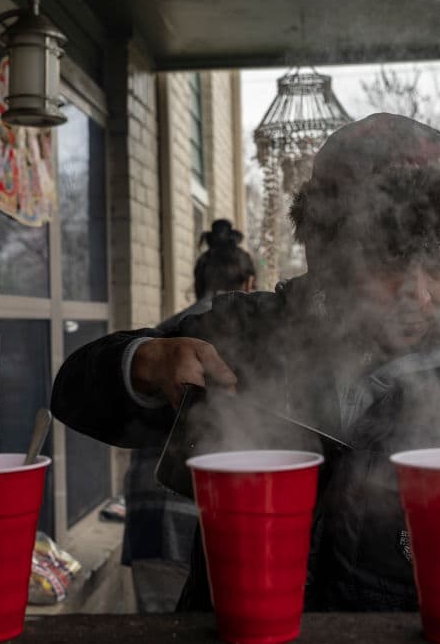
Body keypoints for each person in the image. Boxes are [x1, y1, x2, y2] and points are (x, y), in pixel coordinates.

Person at [52, 113, 440, 613]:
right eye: (388, 262)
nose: (419, 293)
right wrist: (144, 362)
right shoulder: (254, 333)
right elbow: (74, 394)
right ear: (332, 256)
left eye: (438, 264)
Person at [121, 219, 255, 613]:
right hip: (203, 524)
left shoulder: (163, 335)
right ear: (249, 285)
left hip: (148, 519)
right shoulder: (249, 339)